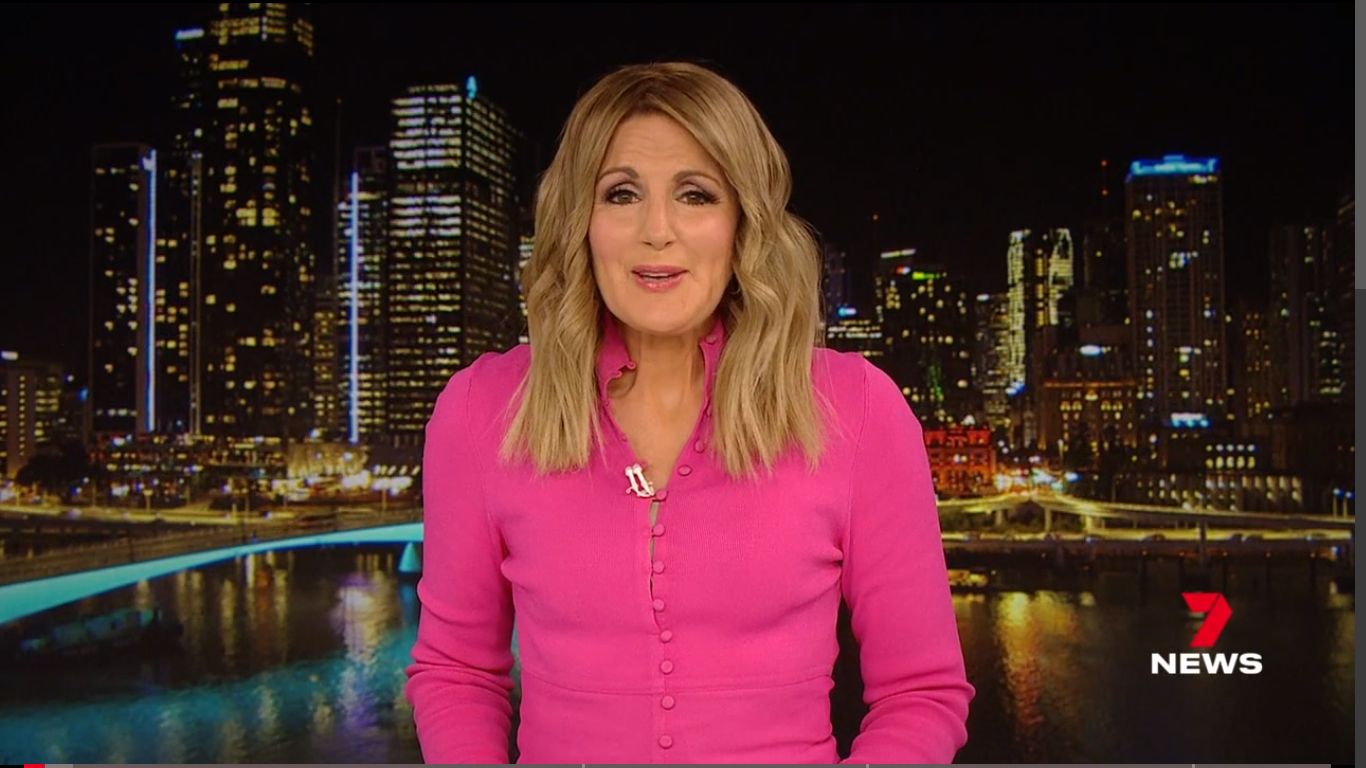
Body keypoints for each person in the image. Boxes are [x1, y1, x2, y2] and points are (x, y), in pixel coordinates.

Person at [406, 60, 975, 764]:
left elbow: (921, 693)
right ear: (581, 222)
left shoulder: (857, 410)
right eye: (620, 194)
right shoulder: (480, 411)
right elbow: (457, 672)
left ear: (742, 223)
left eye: (696, 194)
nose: (657, 230)